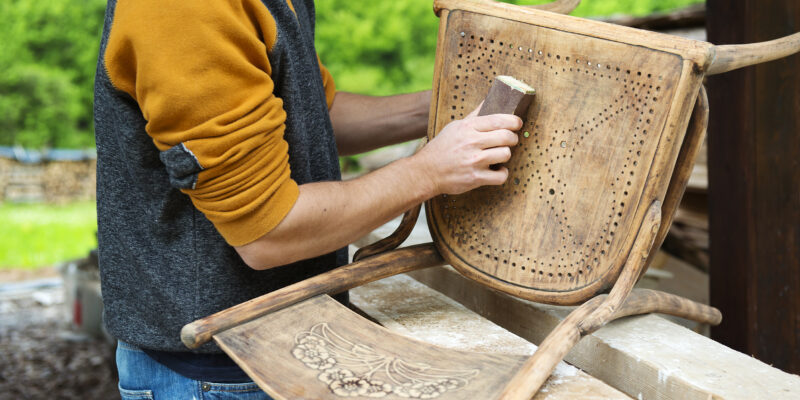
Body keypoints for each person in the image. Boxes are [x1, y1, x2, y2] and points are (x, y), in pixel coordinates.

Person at [94, 0, 521, 398]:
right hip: (216, 376)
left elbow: (312, 118)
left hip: (282, 350)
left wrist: (453, 106)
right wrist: (428, 171)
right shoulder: (189, 10)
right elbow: (268, 232)